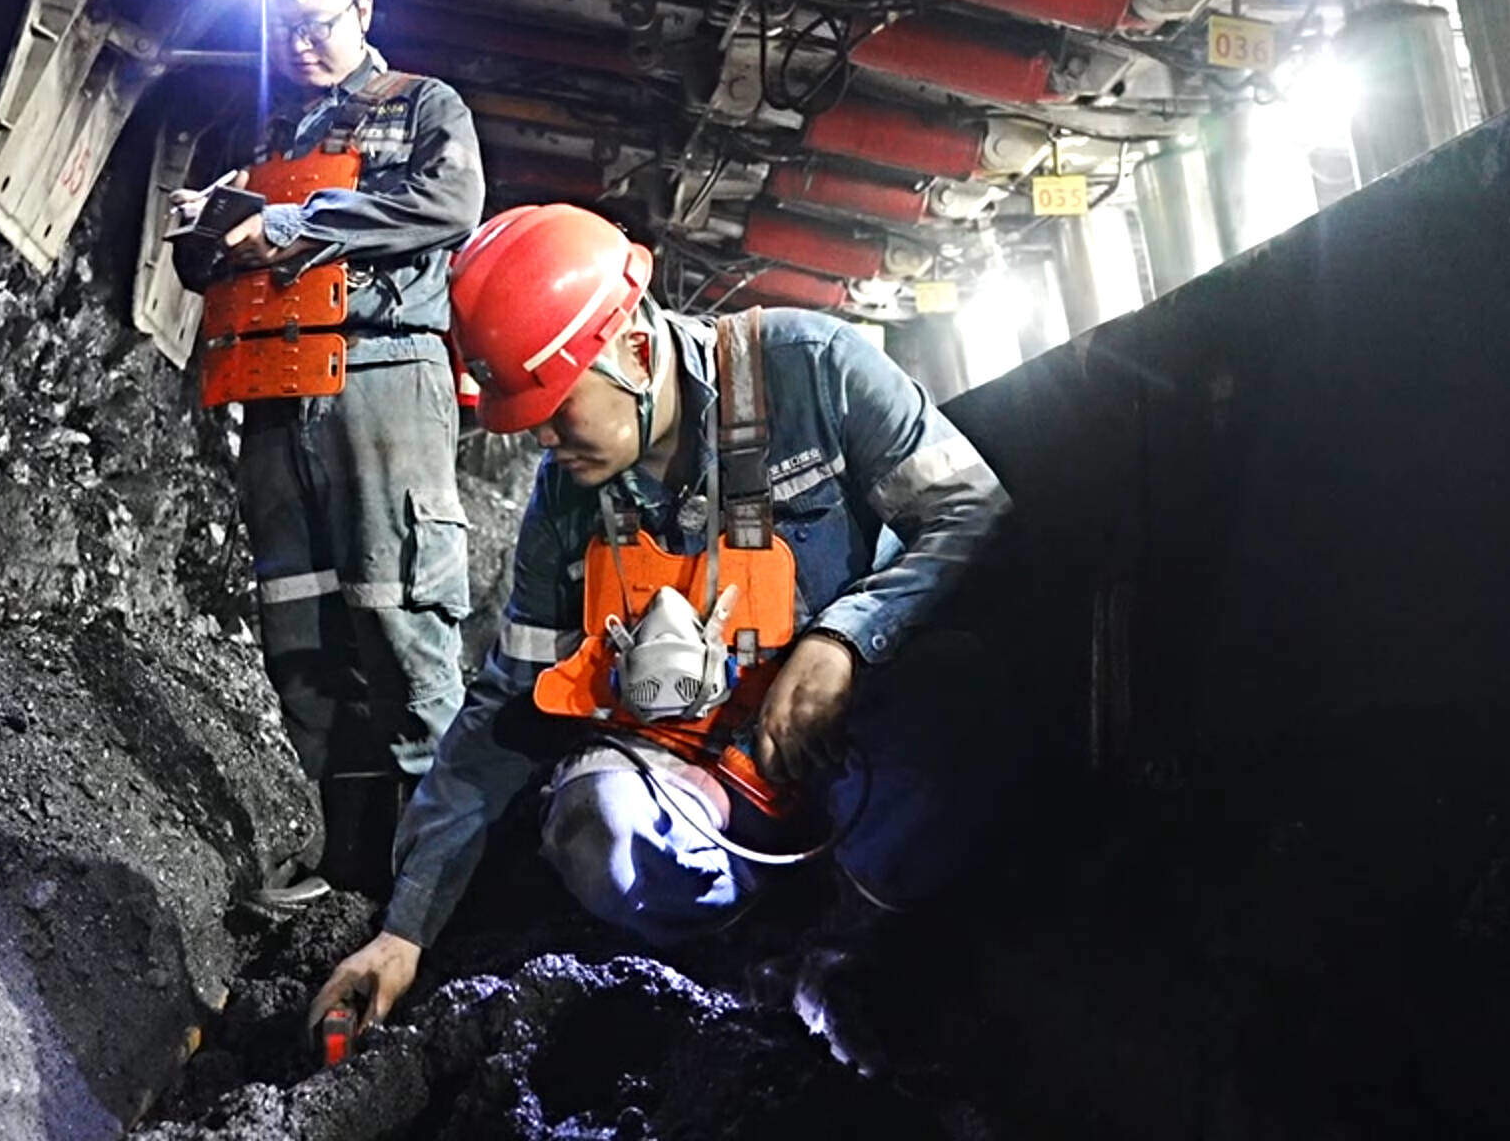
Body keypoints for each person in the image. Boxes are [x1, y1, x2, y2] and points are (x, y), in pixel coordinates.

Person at [311, 203, 1011, 1048]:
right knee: (592, 827)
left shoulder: (813, 368)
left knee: (965, 686)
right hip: (708, 784)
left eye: (556, 403)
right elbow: (507, 705)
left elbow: (972, 510)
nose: (542, 435)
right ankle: (737, 959)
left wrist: (846, 639)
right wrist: (406, 929)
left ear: (635, 351)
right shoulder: (567, 507)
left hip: (849, 750)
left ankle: (863, 945)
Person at [166, 0, 483, 905]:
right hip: (272, 392)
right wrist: (211, 226)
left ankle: (433, 880)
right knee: (301, 638)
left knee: (399, 624)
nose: (302, 45)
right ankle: (337, 868)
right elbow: (205, 270)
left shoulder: (423, 105)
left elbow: (446, 204)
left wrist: (296, 223)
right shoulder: (256, 124)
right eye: (283, 28)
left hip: (383, 376)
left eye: (320, 24)